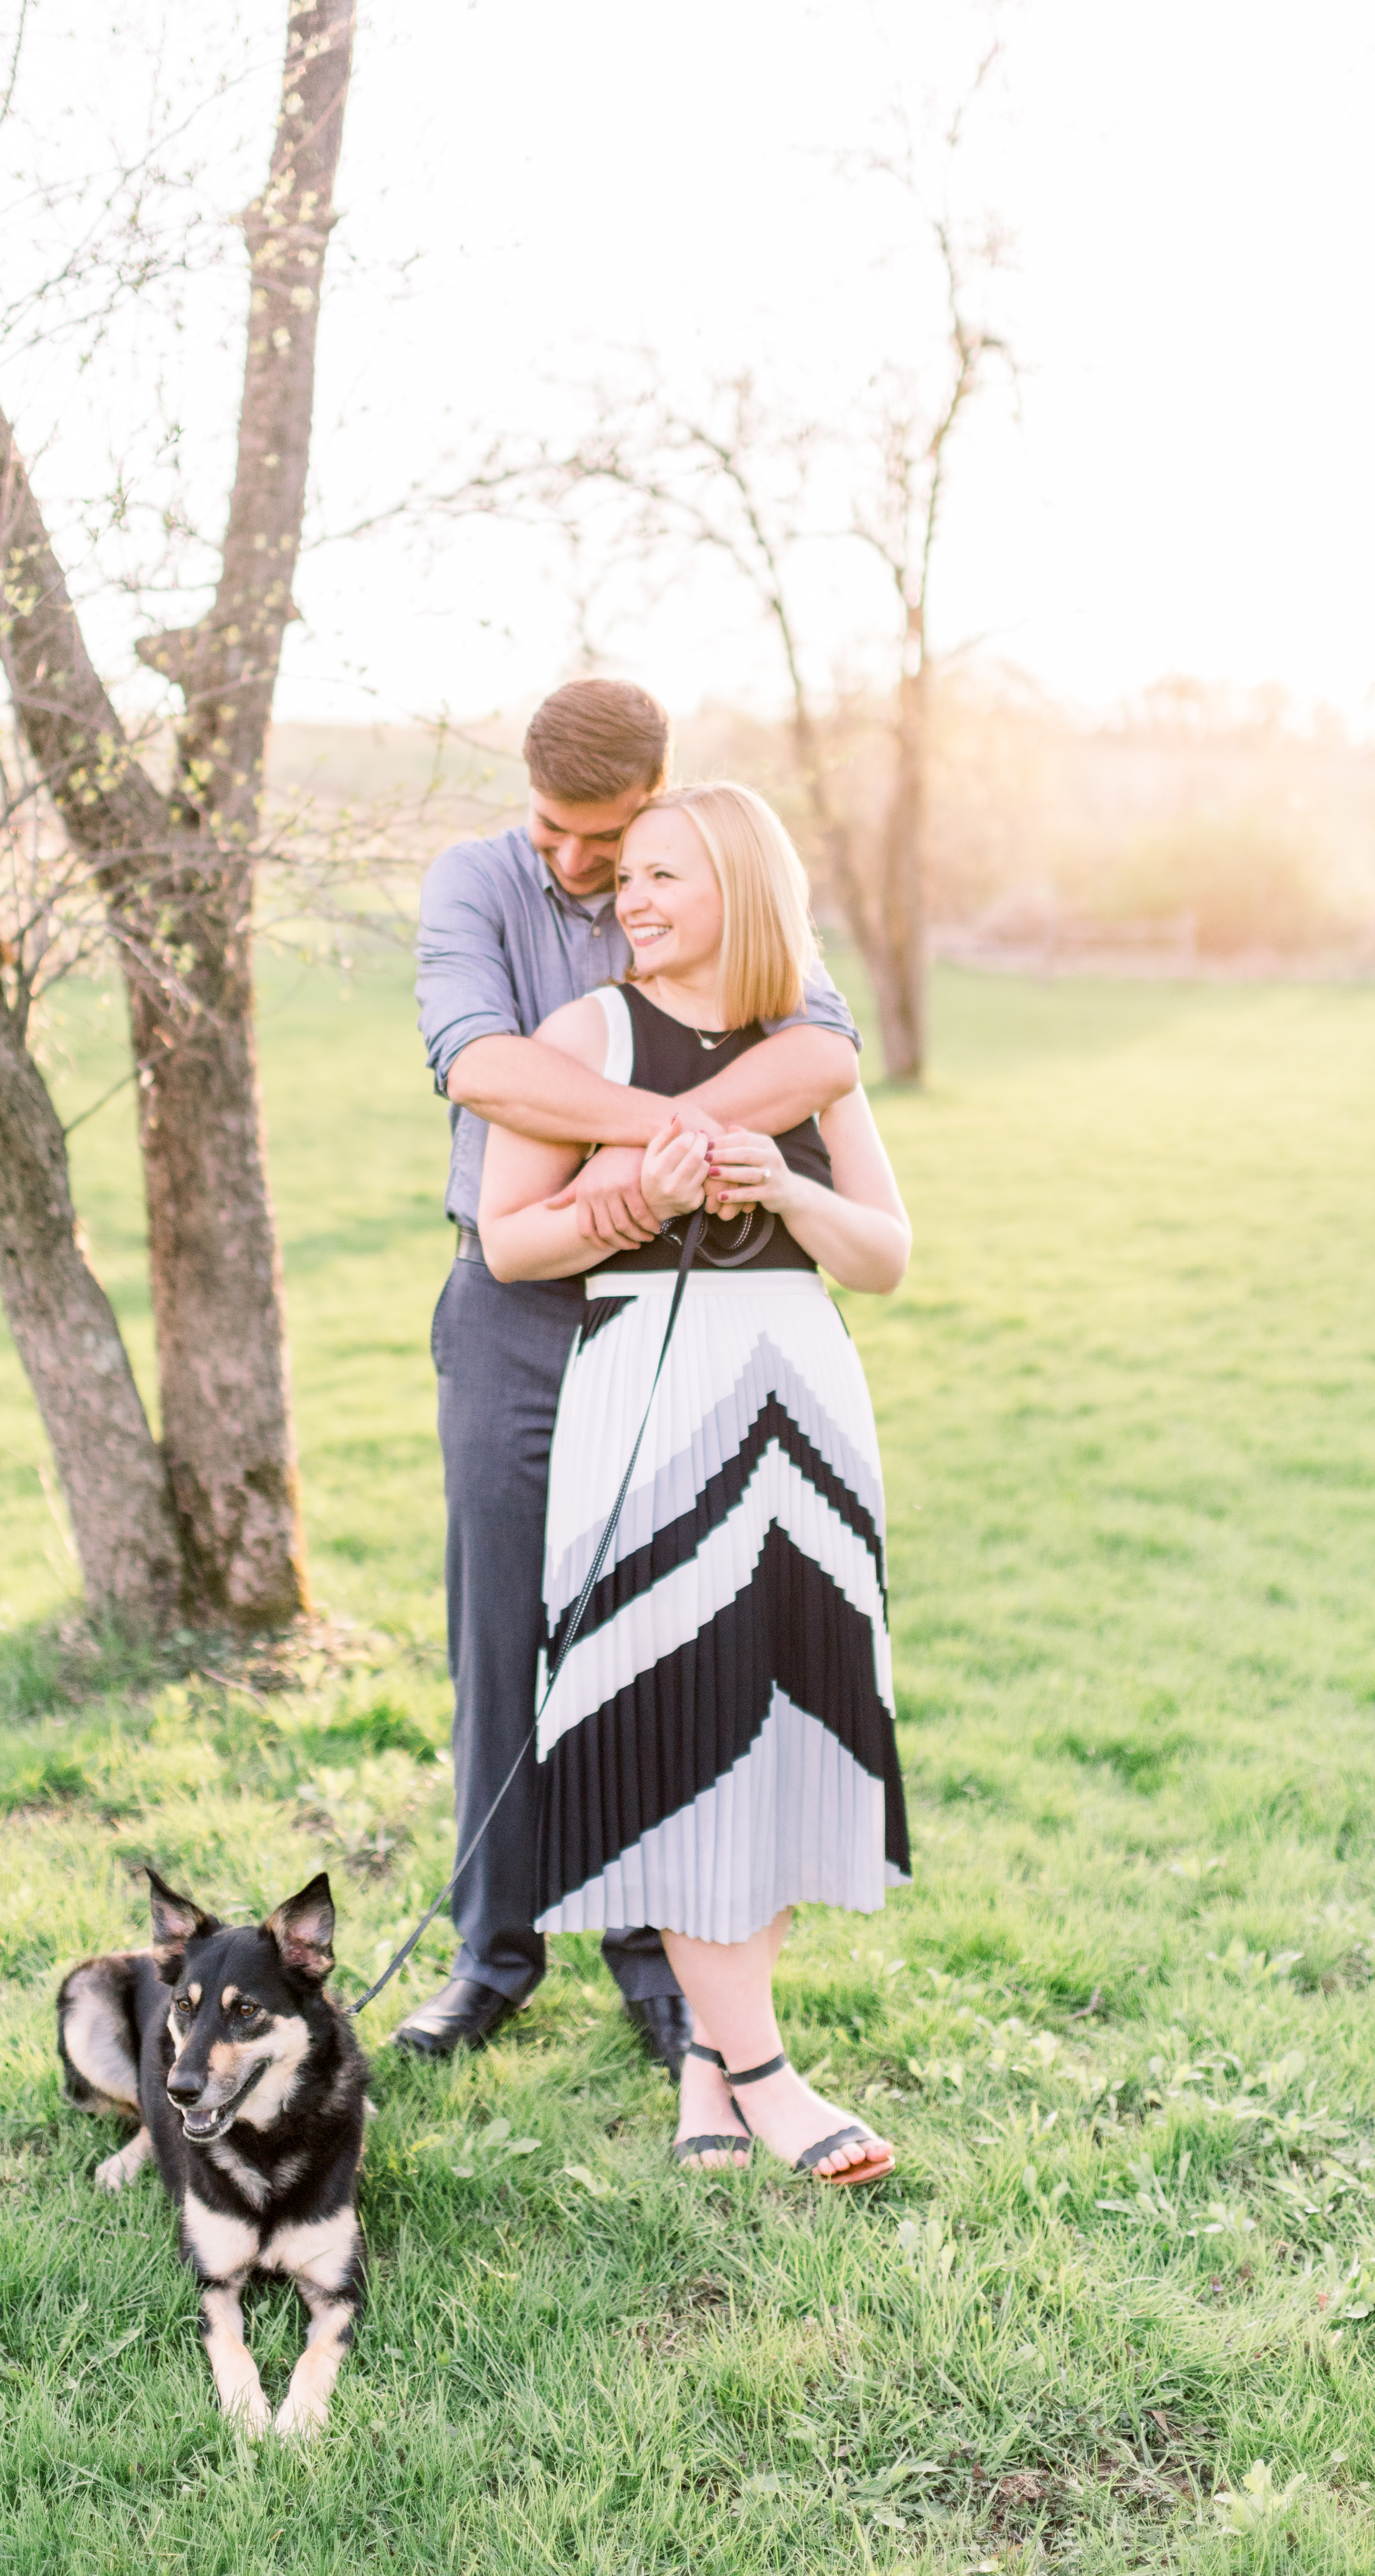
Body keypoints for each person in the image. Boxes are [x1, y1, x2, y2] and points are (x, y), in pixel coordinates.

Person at [403, 682, 863, 2072]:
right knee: (500, 1636)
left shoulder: (698, 880)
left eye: (601, 839)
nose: (573, 863)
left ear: (658, 798)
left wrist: (618, 1156)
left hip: (675, 1308)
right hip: (513, 1302)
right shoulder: (478, 883)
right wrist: (651, 1141)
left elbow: (819, 1050)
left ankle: (660, 1968)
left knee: (656, 1631)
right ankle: (491, 1956)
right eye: (554, 829)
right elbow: (477, 1066)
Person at [476, 782, 910, 2183]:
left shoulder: (811, 1051)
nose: (634, 898)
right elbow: (508, 1245)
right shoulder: (584, 1037)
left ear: (743, 885)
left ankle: (706, 2082)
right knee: (678, 1710)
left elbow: (885, 1255)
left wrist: (782, 1193)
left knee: (785, 1728)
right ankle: (771, 2079)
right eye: (628, 878)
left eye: (667, 875)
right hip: (651, 1397)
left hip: (802, 1389)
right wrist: (644, 1193)